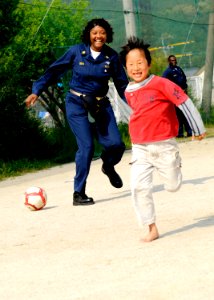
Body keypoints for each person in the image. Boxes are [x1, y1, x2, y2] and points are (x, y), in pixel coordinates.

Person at [25, 18, 129, 206]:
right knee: (86, 147)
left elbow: (122, 85)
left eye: (102, 33)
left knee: (117, 145)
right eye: (95, 32)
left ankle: (108, 165)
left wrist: (137, 105)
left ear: (107, 35)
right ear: (89, 35)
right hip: (77, 104)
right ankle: (78, 193)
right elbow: (54, 71)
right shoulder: (76, 52)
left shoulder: (111, 57)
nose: (99, 36)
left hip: (100, 106)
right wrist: (36, 90)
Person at [119, 37, 206, 242]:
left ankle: (175, 165)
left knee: (172, 186)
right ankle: (151, 227)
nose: (136, 68)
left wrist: (197, 127)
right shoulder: (128, 91)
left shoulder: (161, 83)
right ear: (126, 68)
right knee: (138, 186)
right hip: (140, 147)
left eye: (140, 63)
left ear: (148, 64)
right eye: (131, 65)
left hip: (165, 145)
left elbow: (184, 102)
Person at [162, 55, 192, 138]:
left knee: (186, 113)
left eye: (174, 60)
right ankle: (180, 133)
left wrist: (185, 89)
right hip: (175, 96)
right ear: (169, 61)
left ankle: (189, 132)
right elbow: (164, 83)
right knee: (178, 115)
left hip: (183, 94)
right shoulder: (167, 72)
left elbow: (184, 79)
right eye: (172, 60)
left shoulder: (179, 69)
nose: (174, 61)